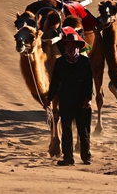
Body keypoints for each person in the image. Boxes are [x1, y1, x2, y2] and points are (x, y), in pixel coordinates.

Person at [46, 29, 93, 166]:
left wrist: (88, 98)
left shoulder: (85, 62)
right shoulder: (60, 63)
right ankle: (68, 158)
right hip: (66, 102)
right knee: (66, 131)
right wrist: (49, 99)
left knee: (84, 131)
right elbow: (55, 83)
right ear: (65, 47)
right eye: (68, 46)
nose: (70, 48)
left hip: (82, 102)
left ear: (78, 47)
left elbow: (89, 83)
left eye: (73, 46)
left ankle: (86, 157)